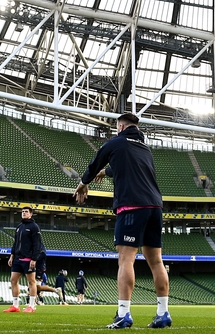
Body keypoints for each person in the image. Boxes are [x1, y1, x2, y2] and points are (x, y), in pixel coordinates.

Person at [76, 113, 171, 329]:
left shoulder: (115, 143)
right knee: (156, 261)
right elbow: (127, 166)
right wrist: (107, 172)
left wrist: (83, 183)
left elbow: (94, 163)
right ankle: (163, 312)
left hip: (131, 205)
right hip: (155, 206)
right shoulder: (144, 149)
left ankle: (124, 313)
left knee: (126, 258)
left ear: (120, 126)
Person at [4, 207, 41, 313]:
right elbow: (15, 243)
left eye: (26, 212)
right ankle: (15, 306)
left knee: (31, 281)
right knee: (13, 280)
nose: (24, 213)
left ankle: (32, 306)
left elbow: (37, 244)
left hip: (28, 259)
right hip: (17, 259)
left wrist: (34, 259)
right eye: (22, 212)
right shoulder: (19, 226)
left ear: (31, 214)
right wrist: (12, 256)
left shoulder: (34, 227)